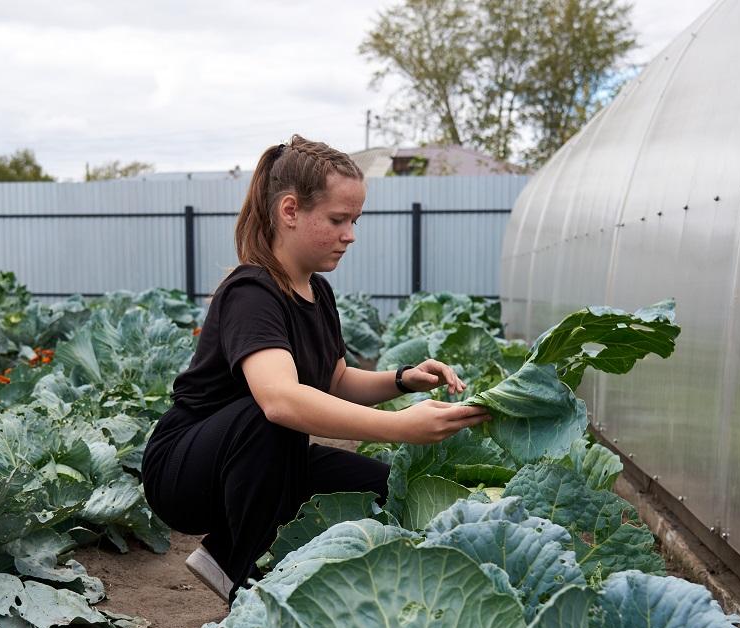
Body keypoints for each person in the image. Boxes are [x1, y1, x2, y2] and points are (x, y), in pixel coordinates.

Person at [140, 134, 491, 602]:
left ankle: (243, 557)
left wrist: (404, 379)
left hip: (265, 459)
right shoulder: (252, 292)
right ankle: (240, 571)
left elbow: (335, 381)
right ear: (290, 211)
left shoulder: (318, 293)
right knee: (271, 414)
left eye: (355, 220)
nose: (351, 234)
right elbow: (280, 400)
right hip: (185, 472)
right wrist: (400, 427)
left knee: (385, 485)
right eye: (338, 219)